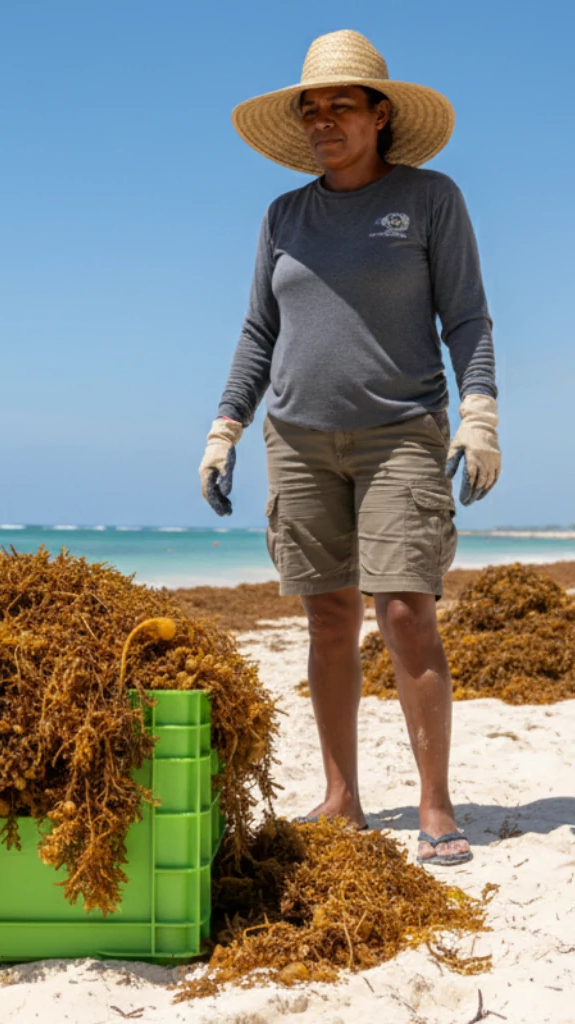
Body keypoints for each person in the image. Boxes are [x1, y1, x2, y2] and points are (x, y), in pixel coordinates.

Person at [198, 29, 501, 867]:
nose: (324, 120)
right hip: (296, 439)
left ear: (380, 114)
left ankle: (435, 804)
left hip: (402, 431)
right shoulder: (283, 217)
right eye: (312, 109)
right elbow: (261, 331)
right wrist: (224, 427)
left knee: (404, 609)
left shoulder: (430, 199)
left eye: (341, 106)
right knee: (328, 618)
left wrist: (481, 414)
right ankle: (342, 798)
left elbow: (467, 315)